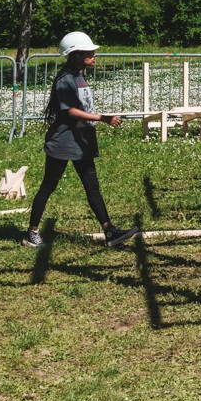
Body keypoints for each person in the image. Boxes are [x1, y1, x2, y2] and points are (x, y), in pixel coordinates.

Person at [24, 31, 139, 249]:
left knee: (92, 188)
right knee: (48, 187)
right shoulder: (65, 80)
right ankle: (32, 232)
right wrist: (102, 118)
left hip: (81, 141)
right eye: (89, 52)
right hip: (63, 143)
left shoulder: (79, 76)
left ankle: (110, 232)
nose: (94, 55)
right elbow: (71, 112)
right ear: (76, 54)